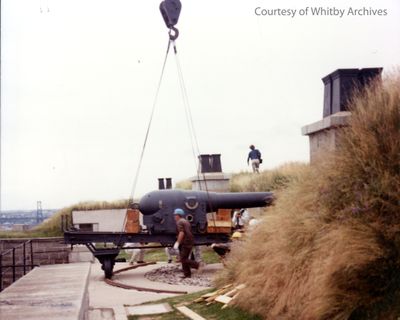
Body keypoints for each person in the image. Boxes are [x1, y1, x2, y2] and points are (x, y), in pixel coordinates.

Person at [173, 208, 203, 278]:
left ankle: (198, 265)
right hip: (189, 241)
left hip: (186, 242)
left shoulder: (179, 222)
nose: (174, 216)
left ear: (178, 215)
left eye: (175, 215)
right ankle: (187, 274)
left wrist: (177, 242)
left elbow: (181, 233)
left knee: (183, 259)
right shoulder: (186, 221)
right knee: (184, 258)